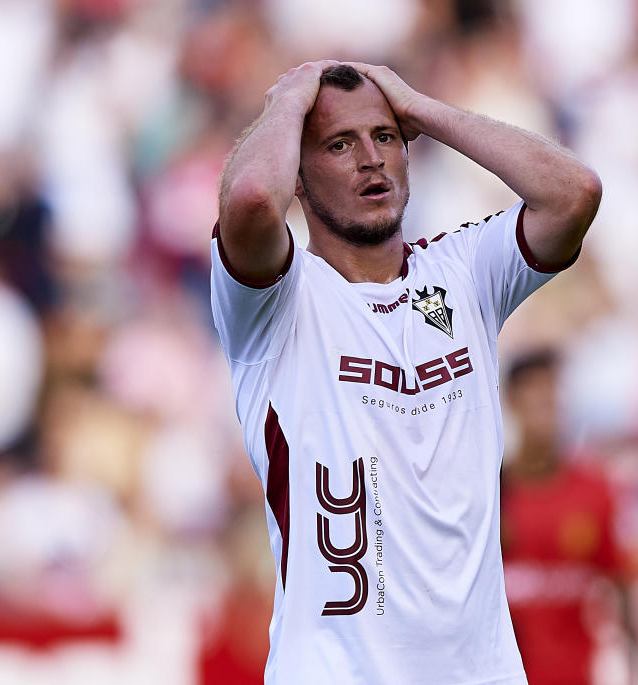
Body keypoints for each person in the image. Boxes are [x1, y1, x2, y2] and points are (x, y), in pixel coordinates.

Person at [210, 60, 601, 684]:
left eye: (385, 137)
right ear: (300, 178)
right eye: (339, 144)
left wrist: (420, 109)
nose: (371, 159)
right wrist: (286, 102)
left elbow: (574, 193)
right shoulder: (276, 303)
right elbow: (253, 199)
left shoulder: (464, 272)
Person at [501, 348, 637, 684]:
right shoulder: (489, 494)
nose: (546, 402)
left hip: (573, 675)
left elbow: (622, 587)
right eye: (534, 390)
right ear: (512, 402)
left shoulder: (596, 491)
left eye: (552, 389)